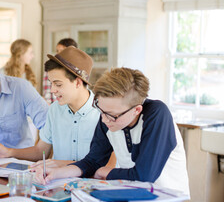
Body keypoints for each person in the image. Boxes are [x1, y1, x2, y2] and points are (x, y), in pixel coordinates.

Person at [34, 67, 190, 196]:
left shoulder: (157, 114)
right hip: (133, 194)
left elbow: (144, 176)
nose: (104, 120)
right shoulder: (108, 117)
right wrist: (57, 173)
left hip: (167, 196)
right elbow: (92, 161)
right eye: (101, 111)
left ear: (136, 110)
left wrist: (104, 172)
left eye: (112, 115)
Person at [0, 46, 115, 168]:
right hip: (57, 185)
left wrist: (63, 164)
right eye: (51, 83)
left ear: (77, 82)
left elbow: (108, 166)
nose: (53, 90)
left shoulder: (105, 113)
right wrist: (9, 152)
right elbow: (40, 151)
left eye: (58, 84)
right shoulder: (54, 110)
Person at [42, 38, 78, 104]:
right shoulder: (50, 69)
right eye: (57, 51)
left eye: (62, 51)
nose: (58, 54)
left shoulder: (78, 71)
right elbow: (47, 92)